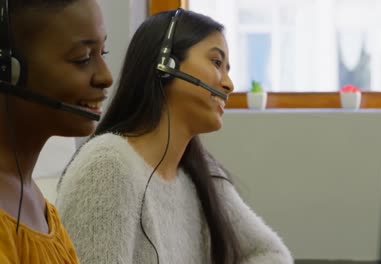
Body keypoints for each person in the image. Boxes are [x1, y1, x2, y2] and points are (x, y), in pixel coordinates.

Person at [56, 8, 293, 264]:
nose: (229, 85)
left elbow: (272, 255)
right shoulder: (107, 167)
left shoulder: (203, 175)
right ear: (166, 66)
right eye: (216, 62)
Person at [0, 0, 113, 263]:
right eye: (83, 59)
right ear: (8, 71)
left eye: (102, 54)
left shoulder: (41, 207)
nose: (106, 77)